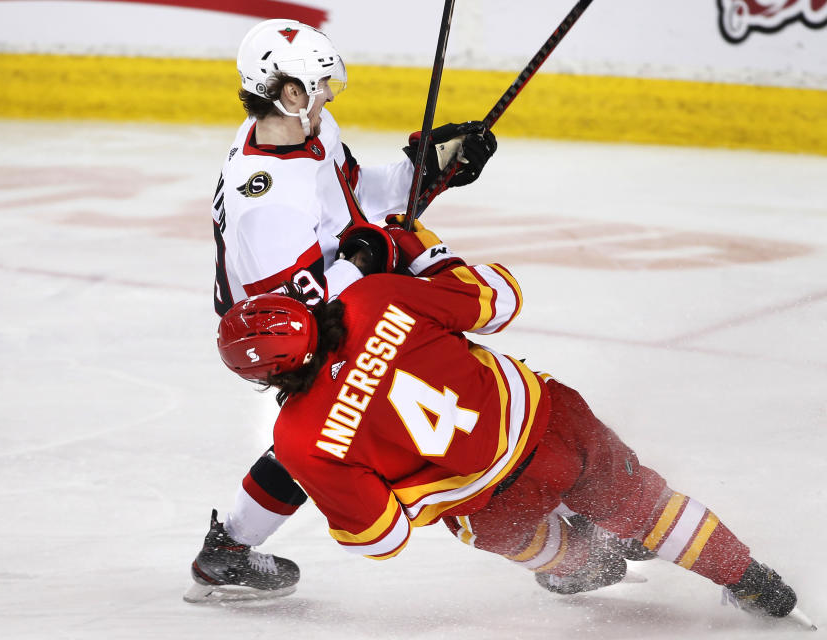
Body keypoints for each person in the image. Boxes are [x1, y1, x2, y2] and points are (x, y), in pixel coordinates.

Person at [212, 216, 807, 623]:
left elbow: (382, 540)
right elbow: (502, 298)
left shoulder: (297, 439)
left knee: (537, 545)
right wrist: (421, 251)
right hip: (554, 428)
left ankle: (580, 564)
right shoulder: (373, 300)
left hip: (489, 508)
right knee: (646, 505)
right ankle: (753, 581)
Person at [185, 18, 498, 602]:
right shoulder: (268, 202)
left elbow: (360, 196)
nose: (329, 95)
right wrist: (367, 255)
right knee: (375, 421)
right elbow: (299, 318)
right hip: (283, 334)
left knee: (333, 430)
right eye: (318, 85)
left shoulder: (308, 129)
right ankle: (540, 524)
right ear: (289, 93)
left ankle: (226, 550)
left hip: (329, 296)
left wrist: (427, 169)